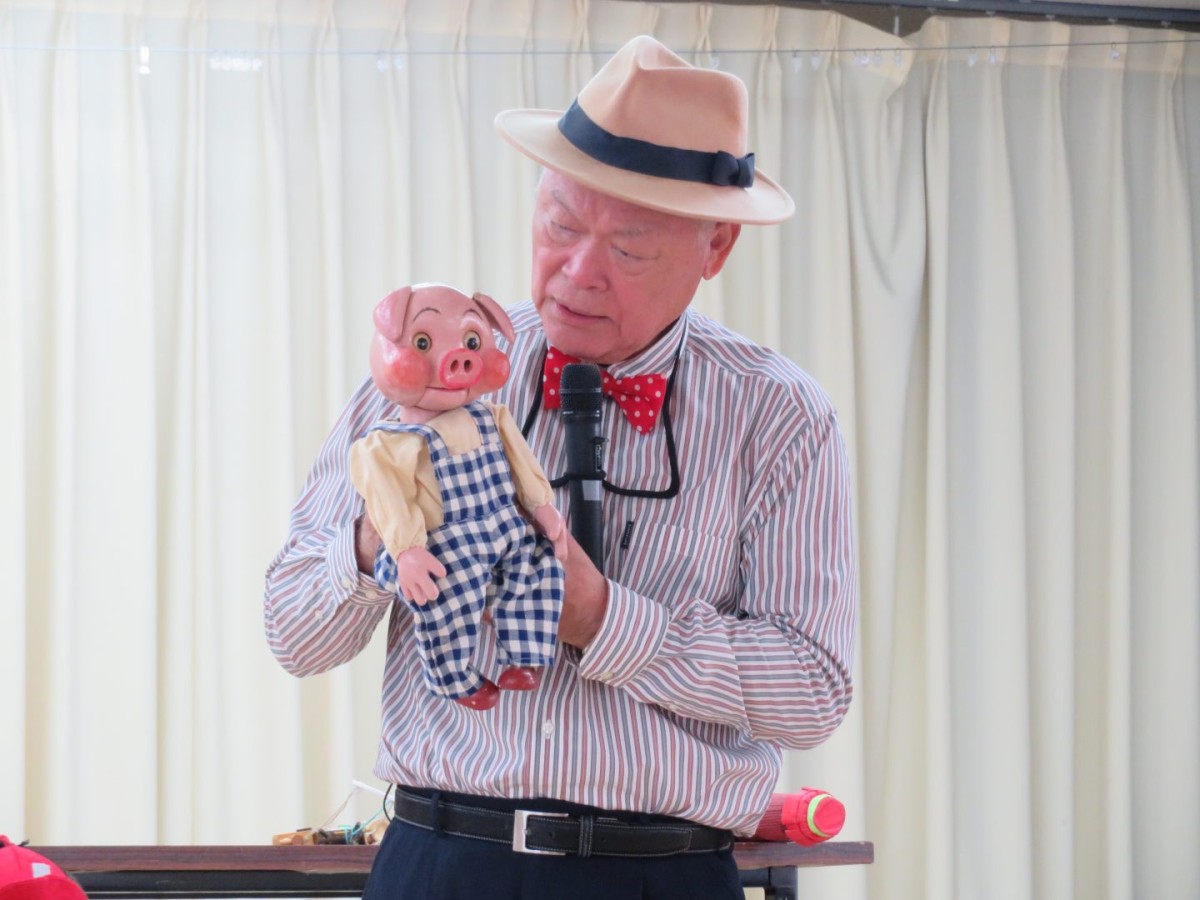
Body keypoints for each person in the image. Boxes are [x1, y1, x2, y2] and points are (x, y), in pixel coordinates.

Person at [264, 34, 856, 900]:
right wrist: (378, 532)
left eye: (630, 250)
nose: (578, 274)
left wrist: (606, 620)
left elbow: (812, 689)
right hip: (441, 862)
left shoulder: (779, 414)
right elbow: (292, 632)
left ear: (717, 247)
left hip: (663, 876)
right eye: (560, 226)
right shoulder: (426, 375)